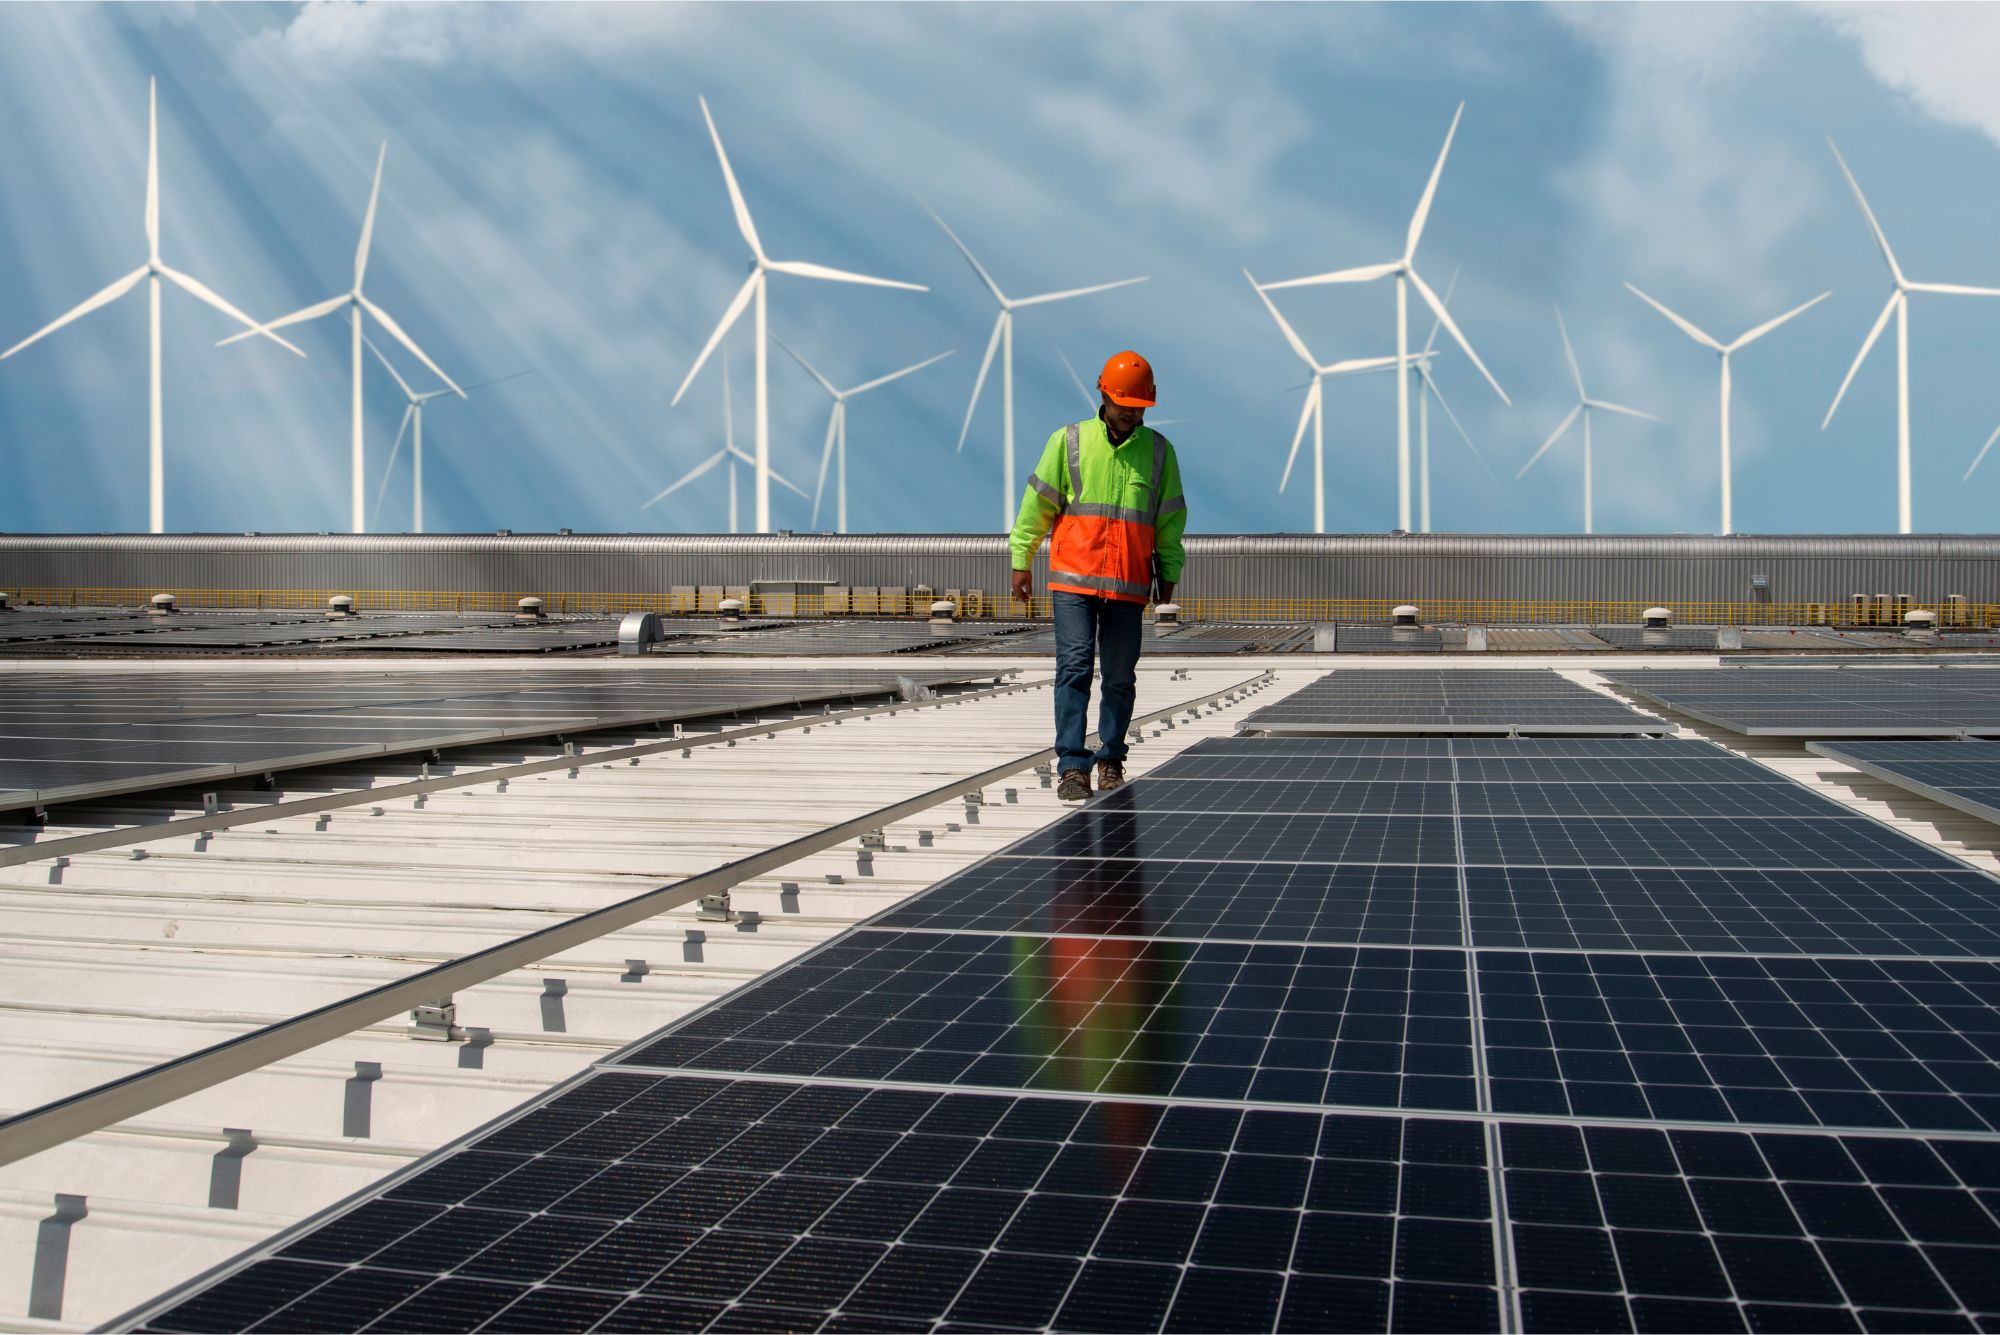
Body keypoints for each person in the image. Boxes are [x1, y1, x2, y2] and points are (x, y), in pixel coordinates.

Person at [1009, 350, 1186, 802]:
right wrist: (1020, 559)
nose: (1129, 412)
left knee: (1121, 675)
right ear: (1102, 393)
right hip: (1073, 580)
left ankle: (1110, 759)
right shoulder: (1068, 441)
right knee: (1074, 670)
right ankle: (1071, 765)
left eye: (1138, 406)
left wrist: (1169, 572)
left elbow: (1169, 521)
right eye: (1123, 402)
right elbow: (1038, 506)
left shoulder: (1160, 453)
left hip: (1128, 584)